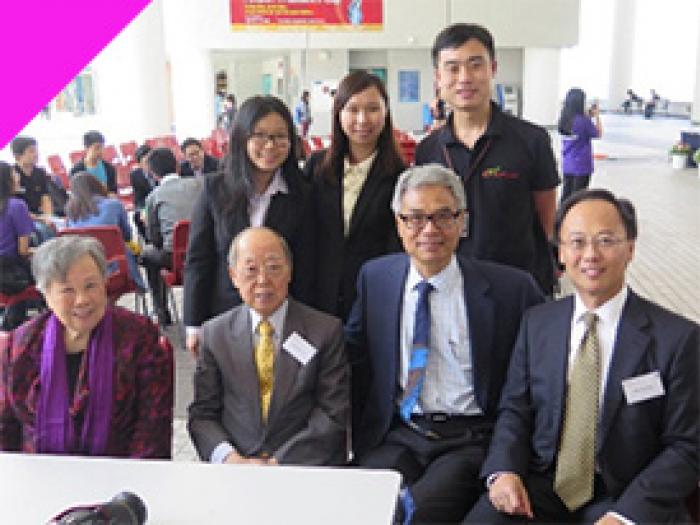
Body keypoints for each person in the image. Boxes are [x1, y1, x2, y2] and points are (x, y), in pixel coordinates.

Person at [465, 189, 698, 525]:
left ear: (630, 248)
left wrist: (626, 515)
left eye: (606, 241)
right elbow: (515, 409)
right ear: (560, 252)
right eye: (577, 242)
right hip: (543, 486)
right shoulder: (537, 324)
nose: (590, 255)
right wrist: (503, 470)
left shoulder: (678, 338)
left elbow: (687, 446)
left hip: (626, 494)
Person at [346, 165, 544, 523]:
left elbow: (533, 383)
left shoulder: (510, 290)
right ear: (399, 223)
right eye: (416, 219)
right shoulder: (376, 278)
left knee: (416, 513)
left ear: (462, 222)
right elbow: (351, 354)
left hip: (467, 440)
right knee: (362, 509)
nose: (429, 231)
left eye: (442, 217)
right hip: (397, 435)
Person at [415, 23, 560, 295]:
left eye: (475, 65)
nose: (465, 77)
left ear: (493, 69)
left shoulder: (531, 140)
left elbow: (545, 221)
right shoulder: (428, 150)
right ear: (438, 77)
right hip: (451, 288)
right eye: (453, 68)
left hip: (518, 286)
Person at [0, 235, 173, 458]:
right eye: (67, 290)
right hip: (41, 477)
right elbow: (6, 430)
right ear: (45, 295)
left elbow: (152, 432)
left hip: (120, 476)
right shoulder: (20, 346)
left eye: (91, 285)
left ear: (105, 282)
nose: (82, 299)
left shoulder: (138, 337)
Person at [188, 227, 348, 466]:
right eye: (251, 270)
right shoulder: (215, 334)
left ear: (289, 272)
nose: (263, 280)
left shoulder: (324, 331)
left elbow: (332, 414)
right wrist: (231, 459)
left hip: (304, 467)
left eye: (274, 267)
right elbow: (202, 415)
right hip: (237, 467)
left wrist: (278, 463)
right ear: (233, 276)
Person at [184, 95, 315, 357]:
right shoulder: (214, 189)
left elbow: (309, 266)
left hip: (285, 320)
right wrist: (194, 324)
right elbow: (199, 260)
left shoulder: (304, 194)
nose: (270, 145)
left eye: (280, 136)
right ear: (242, 138)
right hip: (225, 315)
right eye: (260, 135)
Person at [303, 70, 405, 320]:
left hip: (372, 298)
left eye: (372, 109)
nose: (362, 119)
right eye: (352, 109)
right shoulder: (317, 167)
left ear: (386, 113)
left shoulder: (400, 175)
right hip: (318, 295)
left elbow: (396, 247)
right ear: (338, 114)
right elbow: (305, 231)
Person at [140, 148, 202, 326]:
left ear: (152, 173)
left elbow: (155, 238)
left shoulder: (154, 197)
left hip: (174, 258)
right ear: (177, 166)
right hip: (207, 249)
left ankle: (162, 311)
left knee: (147, 255)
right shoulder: (201, 184)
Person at [65, 173, 146, 292]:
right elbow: (127, 236)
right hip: (117, 266)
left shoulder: (70, 212)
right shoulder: (114, 204)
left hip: (86, 267)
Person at [0, 162, 35, 330]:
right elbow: (23, 251)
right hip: (11, 274)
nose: (18, 177)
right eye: (14, 174)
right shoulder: (16, 206)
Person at [558, 88, 603, 205]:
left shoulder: (564, 119)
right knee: (579, 199)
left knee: (566, 195)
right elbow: (598, 133)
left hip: (568, 163)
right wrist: (597, 116)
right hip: (582, 165)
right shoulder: (583, 121)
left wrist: (588, 116)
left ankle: (560, 219)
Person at [10, 136, 56, 244]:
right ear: (18, 156)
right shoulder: (12, 176)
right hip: (23, 218)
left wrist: (48, 216)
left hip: (40, 215)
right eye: (31, 151)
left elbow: (45, 197)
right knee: (42, 231)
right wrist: (41, 219)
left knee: (58, 226)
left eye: (36, 150)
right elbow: (16, 209)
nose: (36, 154)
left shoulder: (39, 172)